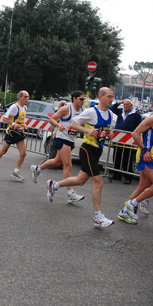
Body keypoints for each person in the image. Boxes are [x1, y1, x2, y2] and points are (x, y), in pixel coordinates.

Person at [46, 87, 116, 228]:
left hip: (97, 151)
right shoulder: (91, 112)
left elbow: (105, 132)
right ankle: (98, 217)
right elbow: (73, 123)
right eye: (109, 96)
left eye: (112, 96)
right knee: (98, 183)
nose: (111, 99)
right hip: (87, 150)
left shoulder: (110, 114)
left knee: (80, 180)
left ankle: (54, 185)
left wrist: (108, 135)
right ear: (101, 97)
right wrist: (87, 130)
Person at [30, 90, 85, 203]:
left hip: (71, 139)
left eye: (84, 99)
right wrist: (58, 125)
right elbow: (52, 119)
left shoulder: (82, 111)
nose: (83, 101)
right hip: (62, 138)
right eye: (81, 99)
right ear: (74, 99)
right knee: (68, 165)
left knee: (57, 161)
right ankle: (70, 193)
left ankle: (37, 169)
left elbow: (81, 124)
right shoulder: (66, 109)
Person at [0, 90, 30, 182]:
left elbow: (21, 120)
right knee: (3, 151)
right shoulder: (14, 107)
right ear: (19, 97)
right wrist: (14, 124)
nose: (27, 99)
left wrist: (24, 125)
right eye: (25, 97)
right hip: (11, 132)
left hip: (19, 133)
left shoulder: (25, 108)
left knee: (23, 153)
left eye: (28, 97)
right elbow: (5, 118)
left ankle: (16, 171)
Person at [109, 98, 143, 184]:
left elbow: (139, 126)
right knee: (117, 157)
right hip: (118, 138)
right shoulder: (121, 112)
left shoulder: (136, 115)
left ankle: (128, 177)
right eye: (124, 104)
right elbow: (112, 109)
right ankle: (116, 174)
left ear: (131, 106)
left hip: (129, 140)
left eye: (127, 104)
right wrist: (118, 102)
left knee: (127, 159)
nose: (125, 106)